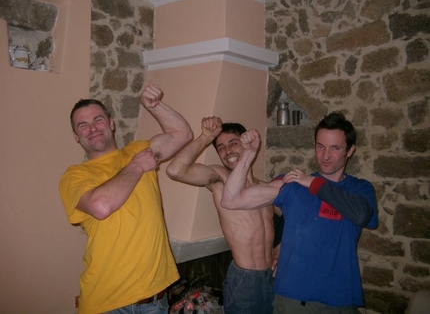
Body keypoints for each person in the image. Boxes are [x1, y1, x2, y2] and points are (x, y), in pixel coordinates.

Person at [221, 112, 378, 314]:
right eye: (320, 146)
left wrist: (312, 182)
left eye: (335, 148)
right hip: (293, 300)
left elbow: (362, 216)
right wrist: (249, 154)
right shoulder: (294, 184)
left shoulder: (359, 189)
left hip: (340, 301)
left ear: (350, 151)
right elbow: (231, 200)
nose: (325, 155)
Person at [59, 84, 193, 314]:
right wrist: (138, 165)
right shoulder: (75, 176)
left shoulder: (138, 150)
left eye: (98, 120)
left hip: (155, 299)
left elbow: (183, 134)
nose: (92, 128)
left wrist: (155, 106)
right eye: (83, 125)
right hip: (108, 304)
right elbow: (101, 206)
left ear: (111, 123)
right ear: (75, 136)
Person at [166, 117, 283, 314]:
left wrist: (280, 251)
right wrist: (206, 137)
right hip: (245, 279)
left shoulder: (264, 187)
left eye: (233, 144)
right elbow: (175, 170)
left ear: (247, 144)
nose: (227, 151)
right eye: (220, 148)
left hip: (272, 277)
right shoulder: (219, 179)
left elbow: (289, 219)